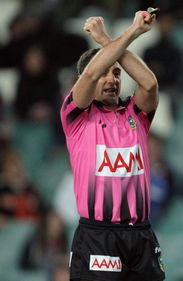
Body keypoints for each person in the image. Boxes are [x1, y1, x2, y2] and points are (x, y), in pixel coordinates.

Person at [60, 11, 165, 281]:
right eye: (105, 74)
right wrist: (132, 32)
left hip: (140, 234)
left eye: (116, 73)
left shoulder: (136, 114)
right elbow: (93, 69)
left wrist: (106, 39)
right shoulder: (76, 116)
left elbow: (149, 82)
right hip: (98, 236)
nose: (112, 79)